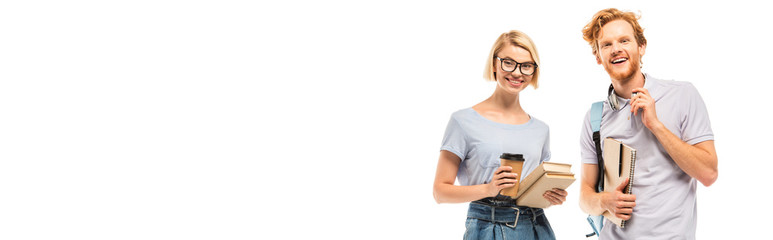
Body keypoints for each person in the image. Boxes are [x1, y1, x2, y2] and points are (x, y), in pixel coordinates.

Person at [577, 8, 718, 239]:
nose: (616, 49)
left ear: (641, 46)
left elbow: (708, 173)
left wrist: (656, 125)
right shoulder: (594, 117)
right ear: (598, 57)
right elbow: (585, 197)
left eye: (624, 40)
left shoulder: (682, 95)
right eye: (606, 44)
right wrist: (604, 201)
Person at [433, 30, 567, 240]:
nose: (517, 73)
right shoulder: (463, 121)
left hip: (537, 227)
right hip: (488, 227)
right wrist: (489, 189)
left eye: (526, 66)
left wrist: (550, 197)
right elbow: (440, 192)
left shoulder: (541, 130)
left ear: (533, 71)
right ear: (494, 64)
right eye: (509, 63)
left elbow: (531, 191)